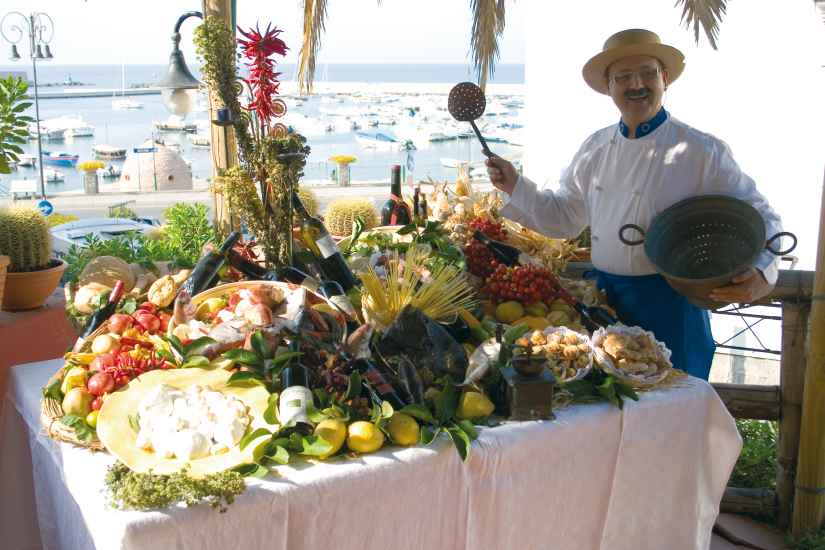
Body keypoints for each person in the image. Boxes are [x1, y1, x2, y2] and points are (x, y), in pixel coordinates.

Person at [485, 28, 784, 380]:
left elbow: (761, 215)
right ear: (609, 87)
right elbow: (565, 218)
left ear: (664, 78)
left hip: (672, 306)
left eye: (647, 73)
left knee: (675, 405)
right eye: (623, 77)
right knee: (607, 407)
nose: (636, 84)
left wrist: (763, 271)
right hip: (603, 304)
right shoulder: (595, 148)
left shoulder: (701, 150)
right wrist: (515, 185)